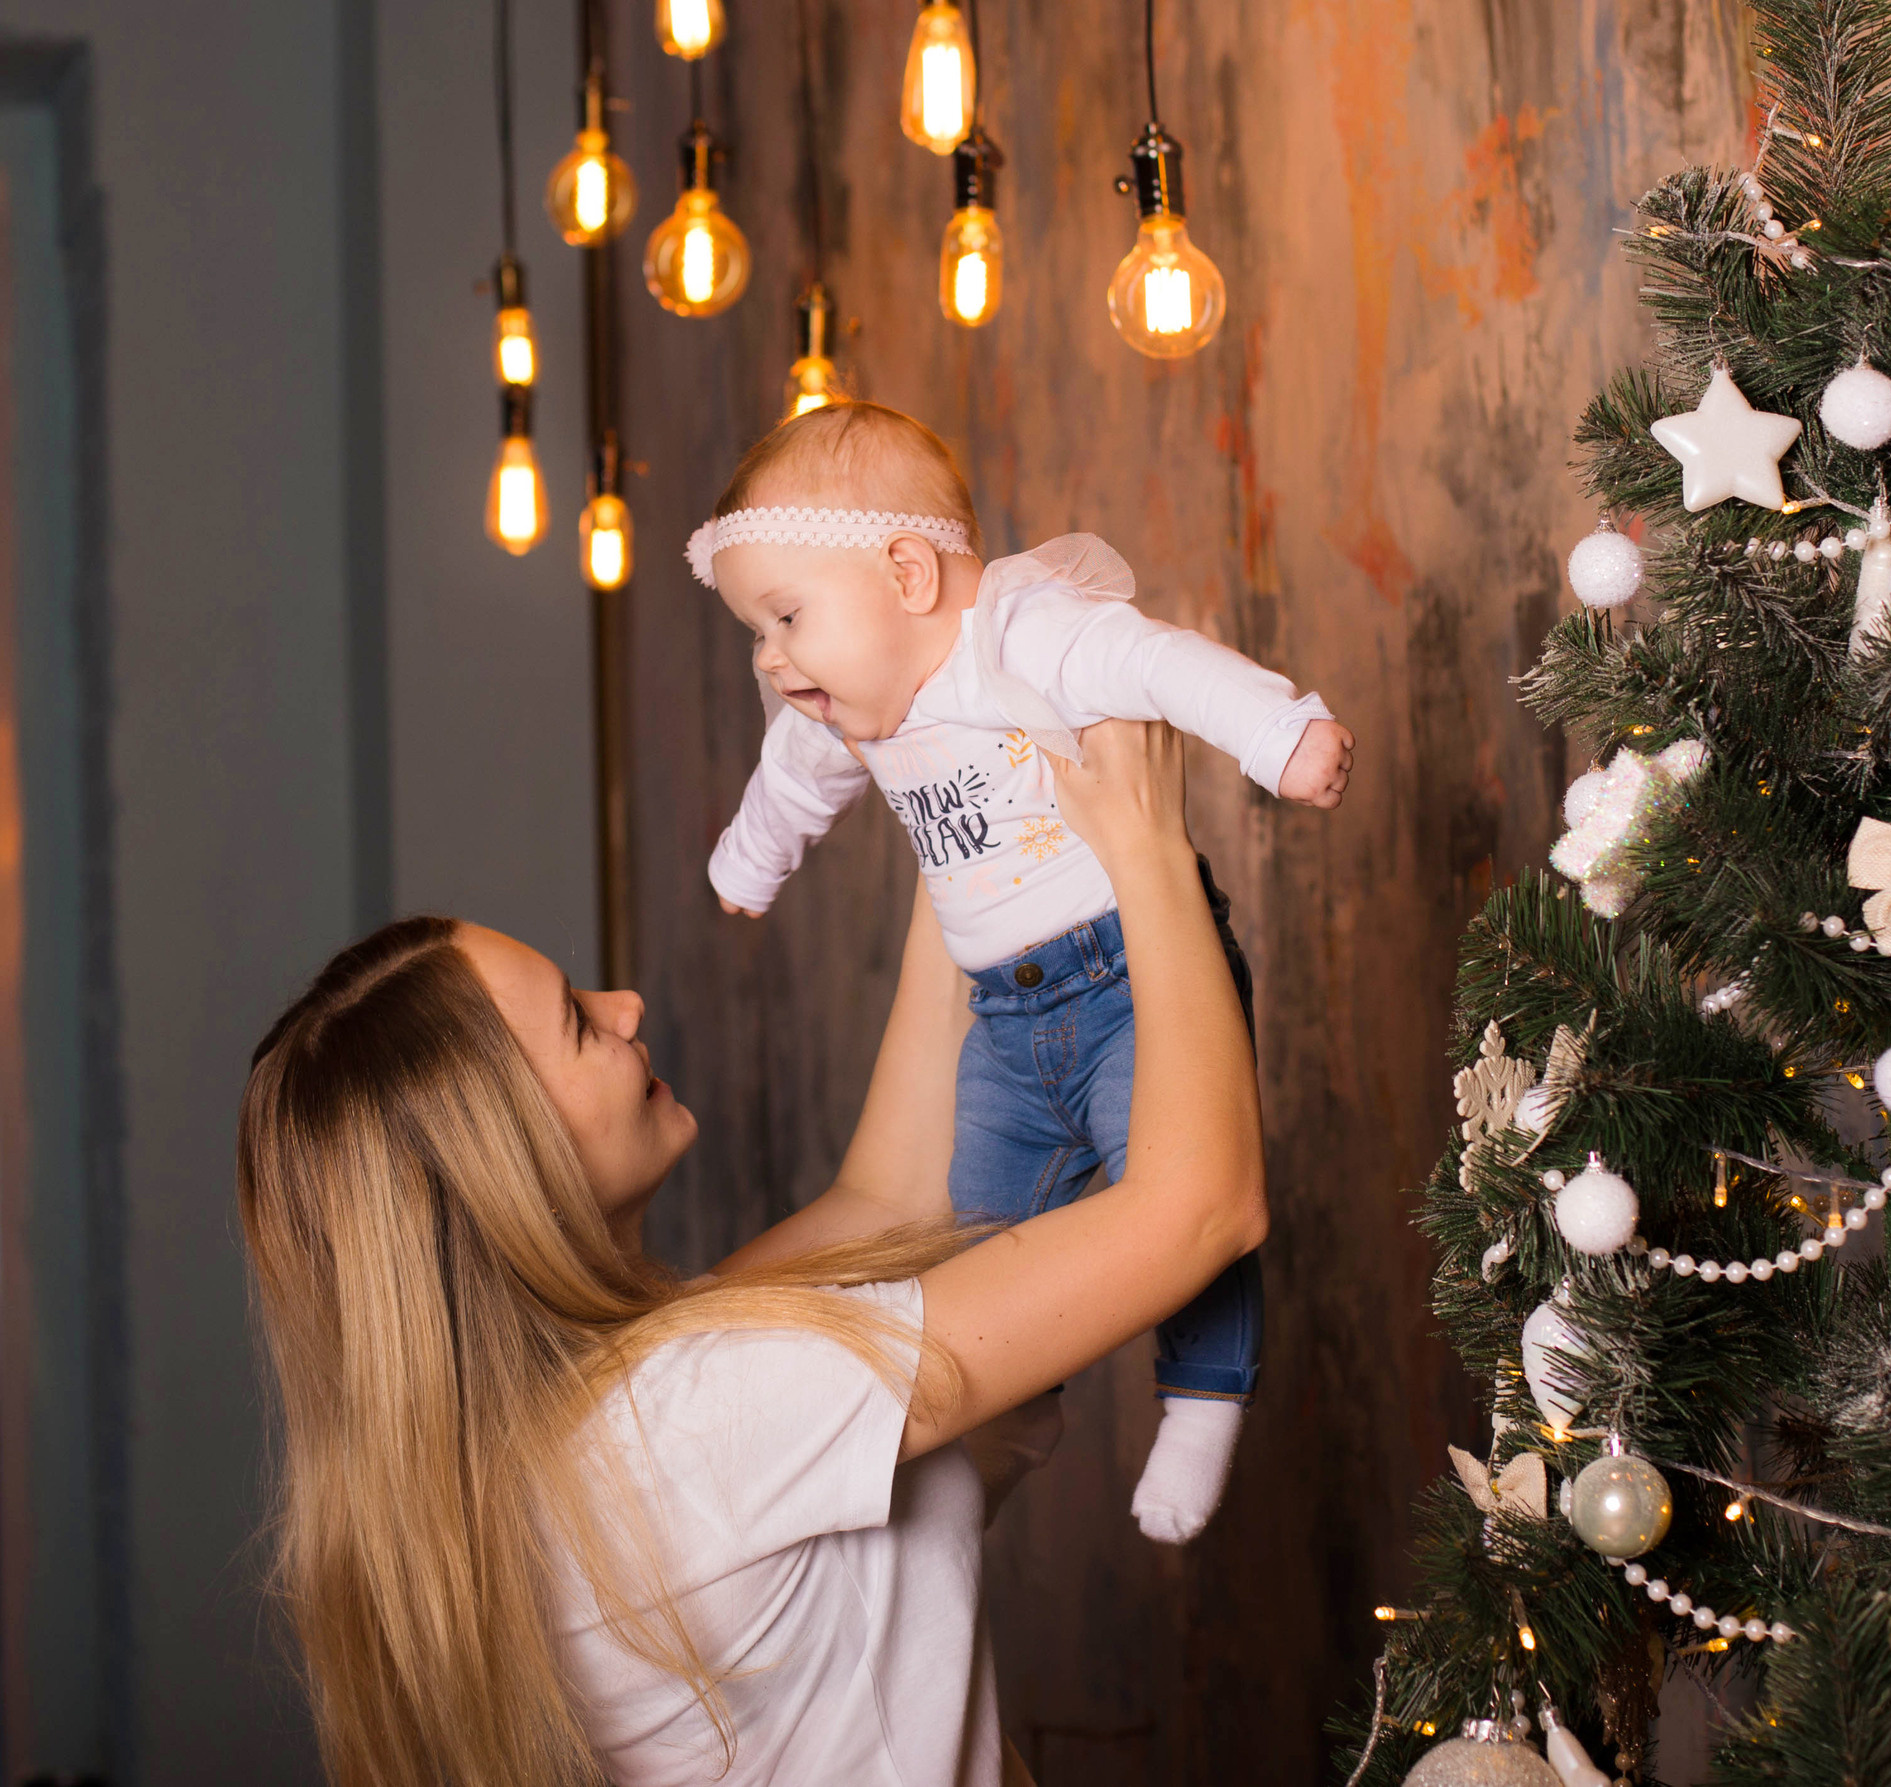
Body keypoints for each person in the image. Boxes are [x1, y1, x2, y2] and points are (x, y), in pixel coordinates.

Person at [236, 721, 1265, 1787]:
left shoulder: (598, 1421)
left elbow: (894, 1193)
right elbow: (1198, 1210)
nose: (624, 1005)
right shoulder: (693, 1420)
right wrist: (1147, 845)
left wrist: (934, 752)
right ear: (506, 1164)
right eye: (578, 1025)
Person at [695, 399, 1352, 1541]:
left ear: (907, 572)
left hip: (1126, 976)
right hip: (999, 1016)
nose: (770, 655)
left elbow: (1161, 666)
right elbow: (789, 784)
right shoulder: (843, 714)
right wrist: (745, 865)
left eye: (787, 615)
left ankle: (1202, 1397)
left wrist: (1278, 734)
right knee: (980, 1225)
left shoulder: (1022, 631)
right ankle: (1012, 1392)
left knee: (1175, 1192)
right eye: (757, 627)